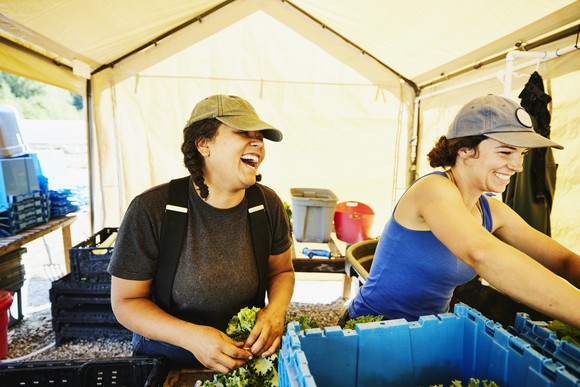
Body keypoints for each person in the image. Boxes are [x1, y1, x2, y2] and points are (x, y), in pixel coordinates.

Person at [344, 94, 580, 328]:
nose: (517, 166)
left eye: (522, 154)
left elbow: (563, 261)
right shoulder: (433, 189)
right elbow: (482, 254)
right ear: (465, 150)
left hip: (430, 332)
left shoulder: (493, 211)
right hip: (369, 329)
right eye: (506, 152)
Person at [108, 94, 295, 373]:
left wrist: (275, 311)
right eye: (244, 133)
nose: (257, 143)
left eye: (260, 136)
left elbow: (281, 272)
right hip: (169, 362)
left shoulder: (266, 204)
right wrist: (193, 337)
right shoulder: (153, 209)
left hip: (242, 360)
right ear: (204, 144)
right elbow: (126, 302)